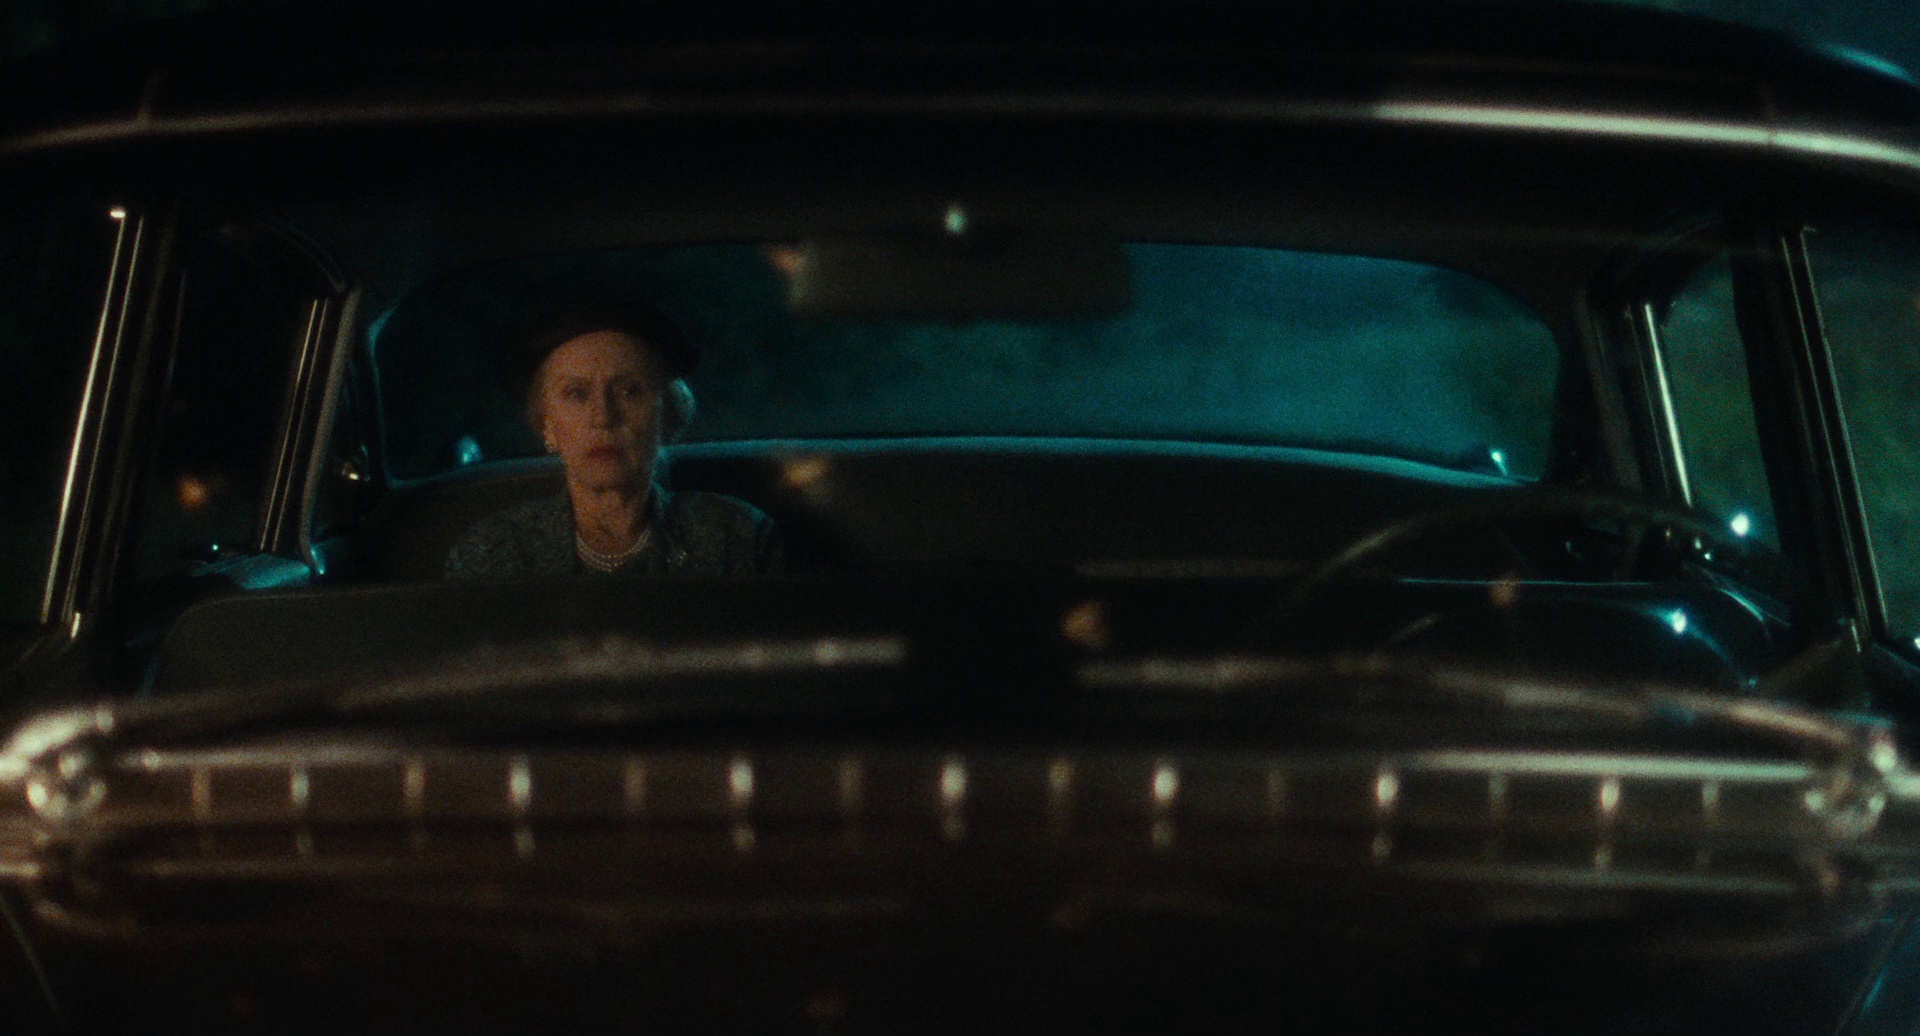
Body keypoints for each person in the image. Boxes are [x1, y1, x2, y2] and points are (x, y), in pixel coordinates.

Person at [444, 301, 780, 579]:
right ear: (547, 426)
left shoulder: (737, 539)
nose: (603, 417)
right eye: (576, 394)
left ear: (667, 416)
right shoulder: (492, 555)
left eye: (629, 391)